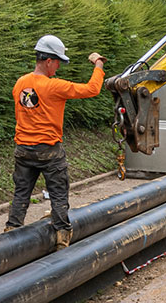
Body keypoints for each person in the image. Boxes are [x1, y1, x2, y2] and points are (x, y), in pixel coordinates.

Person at [6, 35, 106, 250]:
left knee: (21, 193)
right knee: (59, 194)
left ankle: (10, 237)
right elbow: (92, 89)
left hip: (23, 149)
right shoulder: (54, 87)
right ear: (48, 60)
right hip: (48, 150)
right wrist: (98, 65)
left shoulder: (20, 83)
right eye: (58, 61)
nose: (59, 66)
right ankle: (62, 239)